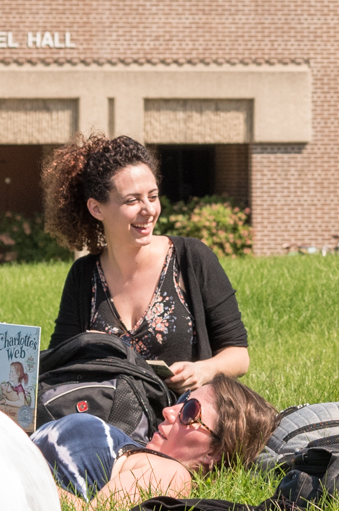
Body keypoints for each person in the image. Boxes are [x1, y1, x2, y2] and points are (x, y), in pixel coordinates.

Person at [44, 134, 249, 394]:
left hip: (181, 423)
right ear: (97, 209)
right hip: (113, 426)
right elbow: (59, 361)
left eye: (152, 196)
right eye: (132, 200)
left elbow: (239, 355)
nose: (149, 210)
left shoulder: (191, 258)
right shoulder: (83, 276)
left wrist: (204, 370)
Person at [32, 373, 278, 511]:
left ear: (214, 452)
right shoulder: (140, 453)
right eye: (183, 399)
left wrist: (19, 478)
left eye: (190, 411)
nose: (169, 411)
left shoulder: (173, 474)